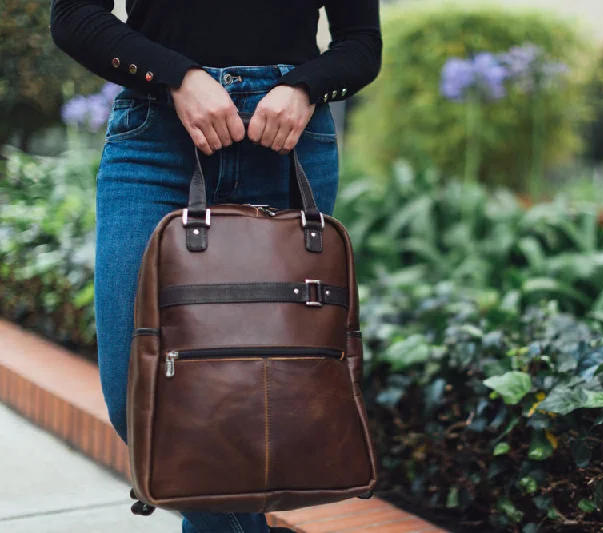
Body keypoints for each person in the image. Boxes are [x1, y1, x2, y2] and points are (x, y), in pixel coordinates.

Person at [49, 0, 382, 531]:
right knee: (138, 402)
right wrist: (178, 77)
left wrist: (305, 87)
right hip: (158, 142)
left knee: (268, 390)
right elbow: (73, 15)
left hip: (287, 141)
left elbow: (361, 43)